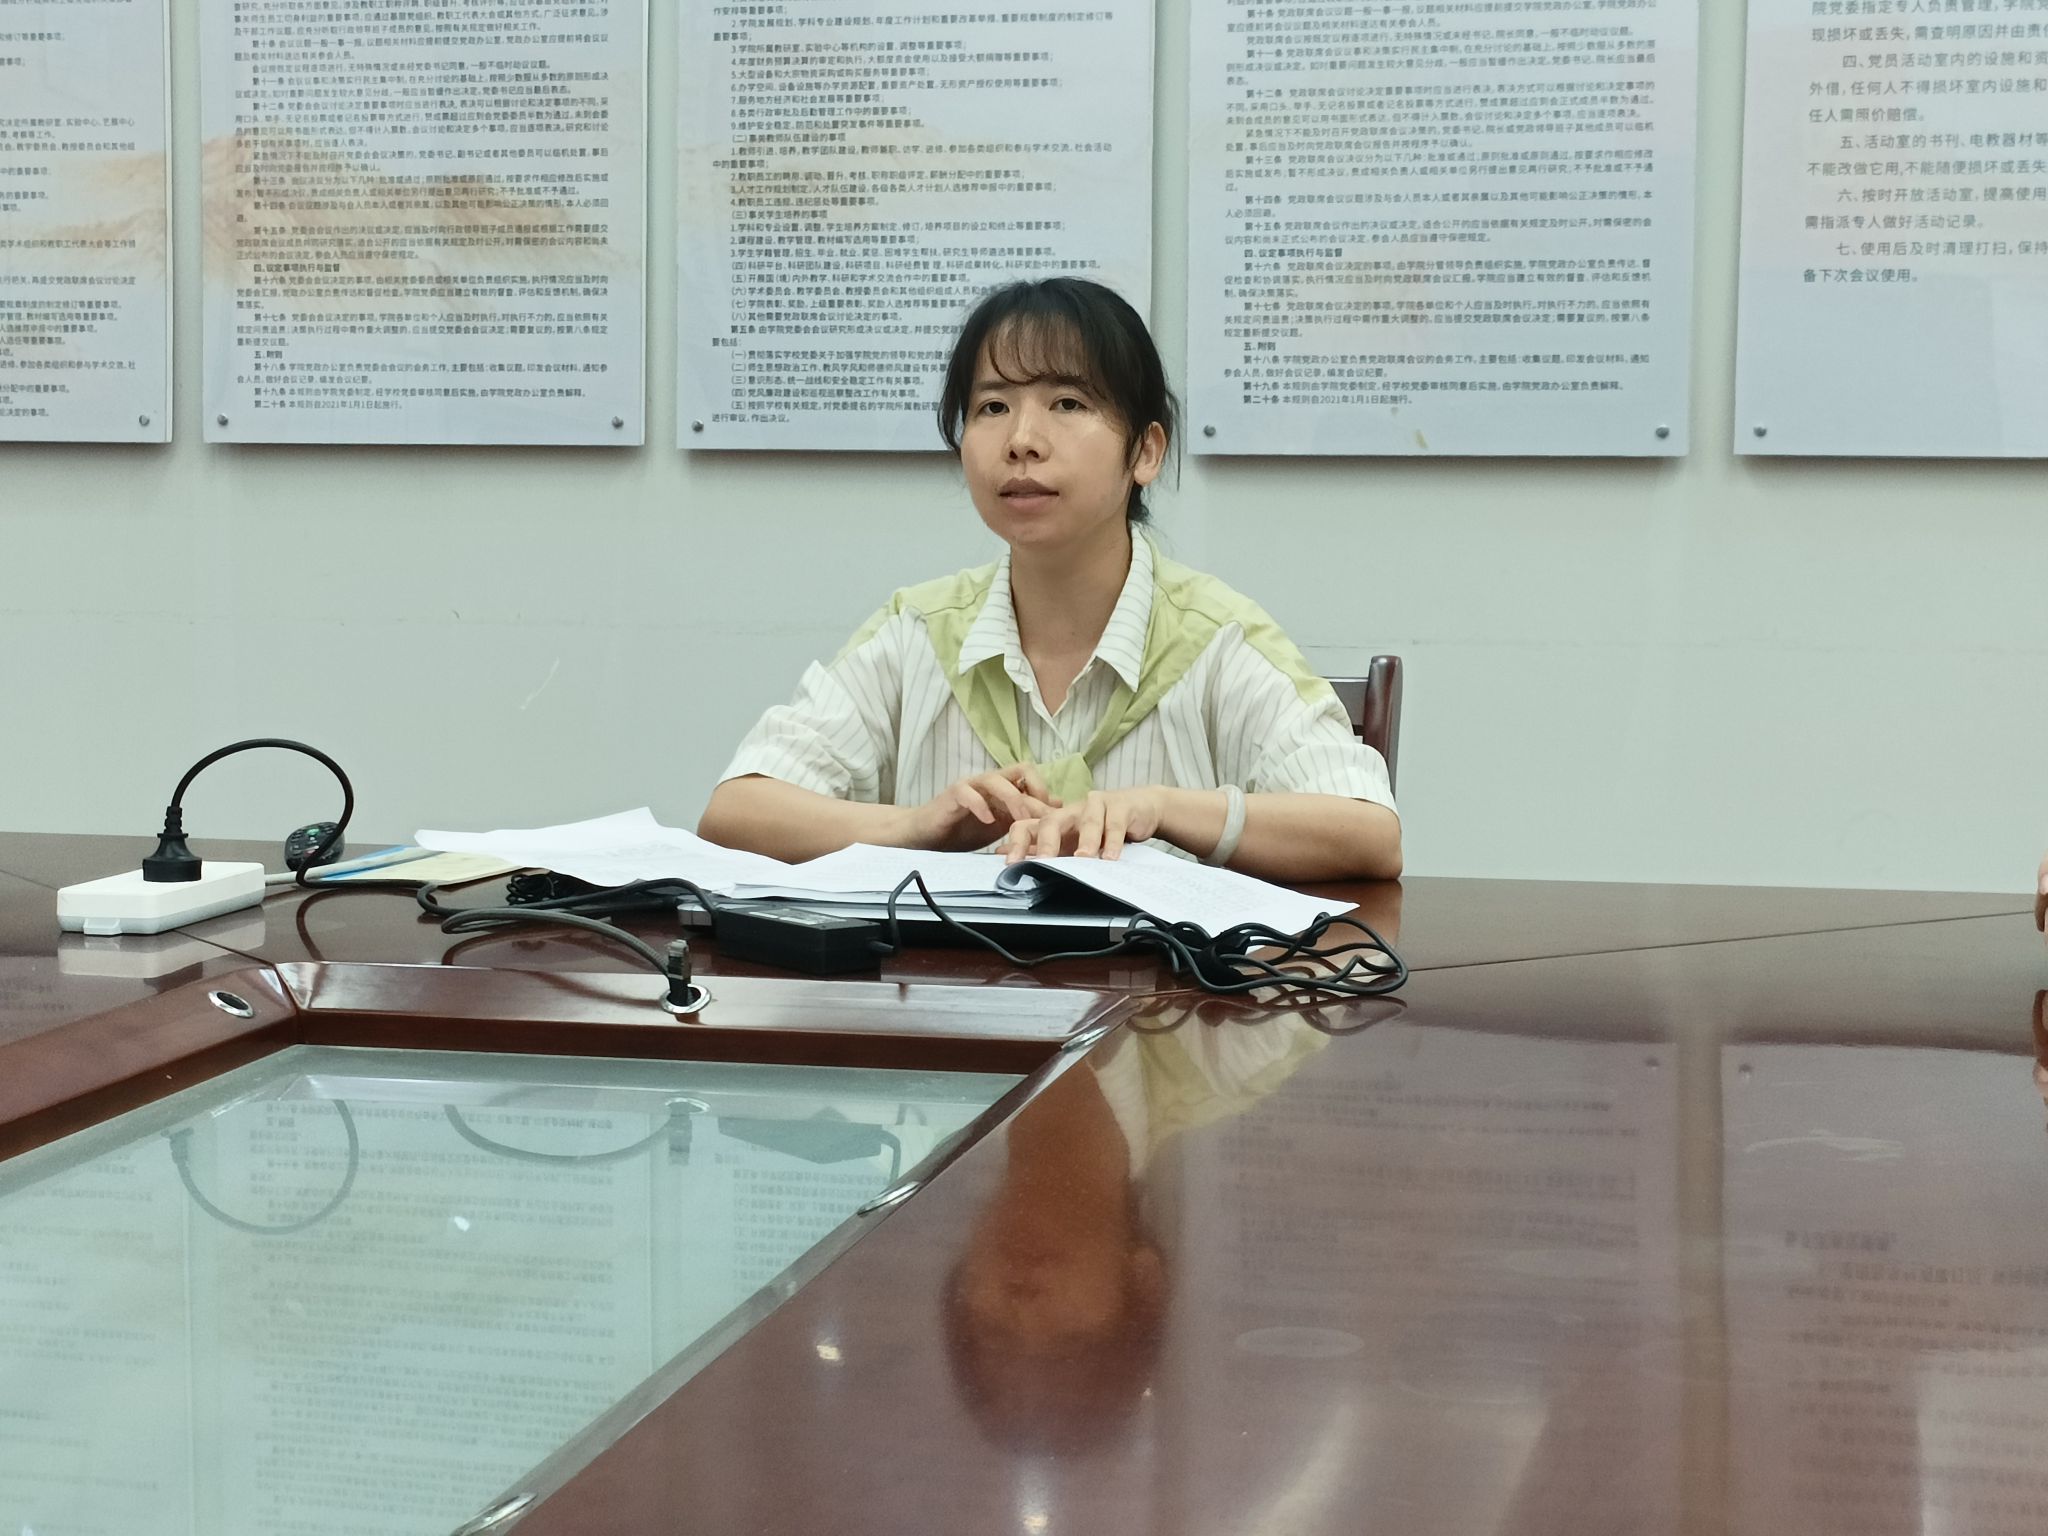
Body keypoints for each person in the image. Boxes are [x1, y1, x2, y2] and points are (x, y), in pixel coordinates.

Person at [698, 277, 1401, 883]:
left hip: (1166, 1002)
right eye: (992, 407)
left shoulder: (1215, 639)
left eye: (1067, 403)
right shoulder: (920, 632)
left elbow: (1369, 833)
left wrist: (1160, 809)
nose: (1021, 441)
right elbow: (735, 813)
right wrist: (914, 827)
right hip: (951, 997)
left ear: (1145, 451)